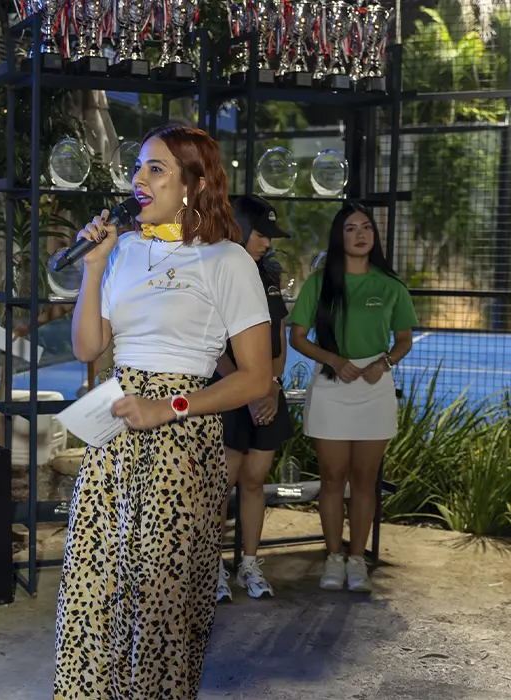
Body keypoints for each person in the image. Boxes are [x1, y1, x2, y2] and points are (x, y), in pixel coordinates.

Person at [54, 124, 274, 699]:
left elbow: (255, 377)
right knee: (92, 589)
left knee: (160, 601)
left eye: (157, 169)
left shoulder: (227, 261)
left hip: (181, 440)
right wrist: (94, 268)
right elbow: (87, 348)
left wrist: (169, 407)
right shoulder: (124, 251)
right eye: (139, 167)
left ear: (194, 184)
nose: (140, 179)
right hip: (114, 432)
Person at [288, 202, 417, 593]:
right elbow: (297, 338)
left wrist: (384, 362)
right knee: (332, 478)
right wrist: (334, 360)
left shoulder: (390, 285)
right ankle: (333, 557)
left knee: (364, 480)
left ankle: (357, 560)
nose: (360, 235)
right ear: (338, 236)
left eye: (366, 228)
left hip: (375, 389)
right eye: (350, 228)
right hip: (332, 385)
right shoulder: (320, 283)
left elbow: (404, 339)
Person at [215, 195, 293, 602]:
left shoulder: (268, 275)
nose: (267, 243)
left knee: (254, 482)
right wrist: (247, 392)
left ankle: (249, 565)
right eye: (261, 234)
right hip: (227, 397)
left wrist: (271, 386)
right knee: (219, 487)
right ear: (238, 228)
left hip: (266, 396)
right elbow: (213, 348)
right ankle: (212, 569)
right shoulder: (214, 272)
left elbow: (278, 338)